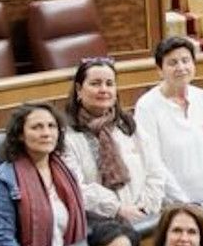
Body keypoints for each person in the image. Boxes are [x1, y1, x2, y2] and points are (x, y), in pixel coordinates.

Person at [62, 56, 171, 224]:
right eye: (95, 83)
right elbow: (74, 187)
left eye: (109, 83)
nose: (104, 89)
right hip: (96, 227)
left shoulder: (129, 127)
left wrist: (145, 208)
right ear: (78, 89)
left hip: (143, 218)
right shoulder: (67, 137)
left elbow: (155, 172)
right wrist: (117, 209)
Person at [0, 102, 85, 246]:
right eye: (36, 127)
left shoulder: (66, 172)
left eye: (51, 126)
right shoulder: (3, 179)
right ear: (20, 135)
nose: (46, 133)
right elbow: (2, 240)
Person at [135, 34, 203, 203]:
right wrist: (184, 203)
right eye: (172, 63)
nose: (181, 67)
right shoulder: (147, 106)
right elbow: (153, 162)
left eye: (186, 60)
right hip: (175, 205)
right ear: (159, 70)